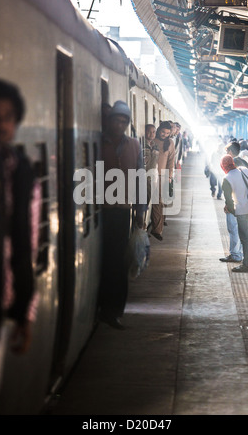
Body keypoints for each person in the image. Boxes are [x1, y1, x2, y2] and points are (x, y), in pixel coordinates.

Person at [0, 78, 39, 415]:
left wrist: (22, 310)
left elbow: (23, 240)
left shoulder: (17, 167)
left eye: (7, 116)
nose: (0, 124)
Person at [99, 100, 144, 330]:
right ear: (109, 120)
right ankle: (103, 307)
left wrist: (140, 212)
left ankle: (115, 311)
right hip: (99, 212)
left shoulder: (134, 145)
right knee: (104, 263)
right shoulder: (98, 142)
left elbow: (140, 179)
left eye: (124, 120)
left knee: (118, 263)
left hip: (122, 214)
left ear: (127, 123)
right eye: (116, 119)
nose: (120, 123)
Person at [221, 155, 248, 273]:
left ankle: (247, 265)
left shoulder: (227, 178)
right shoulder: (243, 170)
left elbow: (229, 202)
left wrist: (234, 212)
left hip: (242, 211)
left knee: (245, 239)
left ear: (223, 166)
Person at [150, 121, 175, 241]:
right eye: (163, 132)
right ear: (159, 130)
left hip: (161, 176)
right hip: (148, 174)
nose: (164, 135)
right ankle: (145, 226)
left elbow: (171, 161)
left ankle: (157, 229)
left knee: (158, 202)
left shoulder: (170, 143)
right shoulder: (152, 140)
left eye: (167, 133)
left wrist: (169, 176)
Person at [143, 124, 159, 228]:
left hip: (152, 177)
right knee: (145, 201)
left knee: (149, 202)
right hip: (144, 178)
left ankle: (146, 224)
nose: (151, 134)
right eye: (149, 131)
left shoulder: (154, 145)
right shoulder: (143, 145)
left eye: (153, 132)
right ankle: (143, 225)